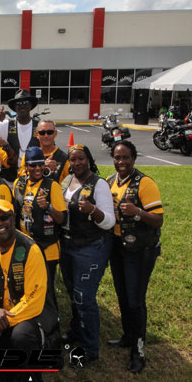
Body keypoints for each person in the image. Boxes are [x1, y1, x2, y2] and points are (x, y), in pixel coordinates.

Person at [0, 200, 58, 382]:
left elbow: (35, 298)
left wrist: (0, 323)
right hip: (2, 314)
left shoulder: (30, 249)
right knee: (5, 379)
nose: (0, 223)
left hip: (32, 315)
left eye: (4, 217)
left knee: (22, 337)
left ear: (13, 218)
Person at [106, 141, 164, 373]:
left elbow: (158, 219)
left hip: (140, 250)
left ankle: (138, 351)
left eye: (126, 157)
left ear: (134, 158)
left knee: (135, 300)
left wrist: (137, 212)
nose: (121, 162)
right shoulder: (111, 181)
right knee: (122, 296)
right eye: (117, 157)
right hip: (118, 247)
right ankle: (128, 336)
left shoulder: (144, 183)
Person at [60, 144, 116, 366]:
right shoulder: (67, 181)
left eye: (81, 158)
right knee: (72, 292)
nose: (77, 163)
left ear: (89, 159)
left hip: (91, 246)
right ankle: (77, 330)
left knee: (84, 296)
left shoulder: (99, 184)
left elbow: (109, 221)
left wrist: (94, 210)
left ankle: (90, 347)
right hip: (67, 244)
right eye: (73, 159)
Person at [13, 147, 66, 307]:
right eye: (33, 165)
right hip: (25, 246)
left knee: (46, 291)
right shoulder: (19, 184)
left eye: (40, 164)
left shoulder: (52, 185)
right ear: (26, 166)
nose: (37, 168)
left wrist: (48, 207)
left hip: (47, 247)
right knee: (26, 288)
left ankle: (51, 321)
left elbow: (62, 219)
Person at [0, 89, 39, 182]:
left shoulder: (39, 126)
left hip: (34, 178)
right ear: (14, 107)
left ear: (30, 105)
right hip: (10, 179)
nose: (22, 105)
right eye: (18, 103)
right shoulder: (6, 125)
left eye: (25, 102)